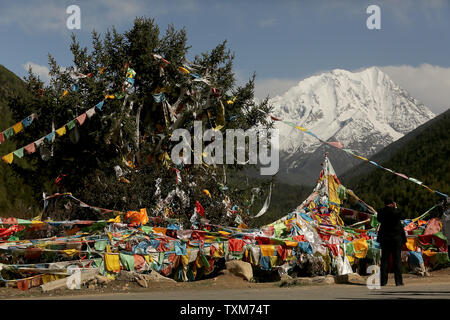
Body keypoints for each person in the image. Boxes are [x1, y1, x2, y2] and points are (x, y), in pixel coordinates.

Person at [377, 198, 406, 286]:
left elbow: (379, 220)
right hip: (396, 239)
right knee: (397, 260)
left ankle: (383, 281)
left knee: (384, 260)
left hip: (385, 239)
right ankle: (398, 281)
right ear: (393, 203)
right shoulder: (395, 211)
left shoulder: (381, 211)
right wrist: (396, 208)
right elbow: (403, 216)